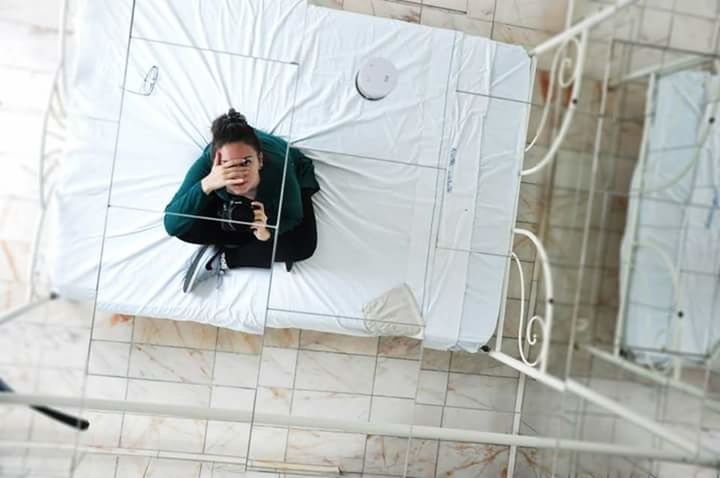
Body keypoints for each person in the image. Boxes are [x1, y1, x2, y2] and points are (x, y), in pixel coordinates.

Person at [164, 108, 320, 293]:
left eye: (246, 163)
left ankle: (227, 258)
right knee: (186, 226)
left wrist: (266, 231)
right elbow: (171, 223)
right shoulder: (210, 164)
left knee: (303, 246)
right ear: (216, 162)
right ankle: (258, 245)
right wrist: (206, 184)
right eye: (229, 165)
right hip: (228, 208)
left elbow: (293, 216)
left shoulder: (280, 170)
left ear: (260, 160)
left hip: (282, 191)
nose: (239, 176)